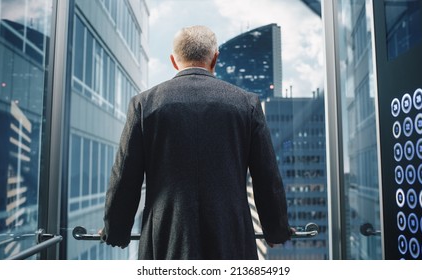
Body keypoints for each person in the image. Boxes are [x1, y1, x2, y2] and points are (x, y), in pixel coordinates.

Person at [100, 25, 293, 259]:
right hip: (231, 235)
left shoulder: (144, 104)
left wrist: (117, 230)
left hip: (165, 237)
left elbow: (125, 175)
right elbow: (266, 175)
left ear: (173, 60)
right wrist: (275, 231)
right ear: (215, 59)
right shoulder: (247, 104)